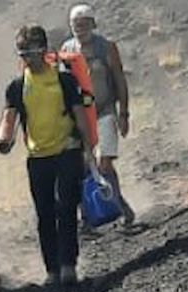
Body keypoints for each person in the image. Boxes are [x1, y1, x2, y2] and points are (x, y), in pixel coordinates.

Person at [0, 25, 95, 291]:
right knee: (44, 213)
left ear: (43, 50)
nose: (28, 59)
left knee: (66, 208)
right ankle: (52, 269)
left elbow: (80, 116)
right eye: (23, 54)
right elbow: (9, 117)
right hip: (38, 157)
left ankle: (68, 265)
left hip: (67, 152)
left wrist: (89, 150)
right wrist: (4, 139)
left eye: (31, 52)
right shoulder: (17, 87)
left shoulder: (64, 81)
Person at [61, 3, 135, 225]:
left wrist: (124, 113)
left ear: (93, 24)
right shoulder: (67, 50)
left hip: (104, 111)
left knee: (105, 163)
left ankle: (120, 207)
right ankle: (89, 213)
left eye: (84, 24)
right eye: (76, 25)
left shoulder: (106, 47)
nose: (80, 29)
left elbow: (119, 78)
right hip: (79, 117)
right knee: (83, 166)